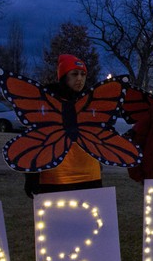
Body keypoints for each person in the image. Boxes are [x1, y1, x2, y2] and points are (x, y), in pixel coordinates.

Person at [23, 54, 102, 196]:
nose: (80, 79)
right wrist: (32, 176)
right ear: (64, 76)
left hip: (90, 174)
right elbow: (34, 141)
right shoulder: (46, 102)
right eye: (74, 74)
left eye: (83, 74)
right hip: (56, 177)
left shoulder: (91, 102)